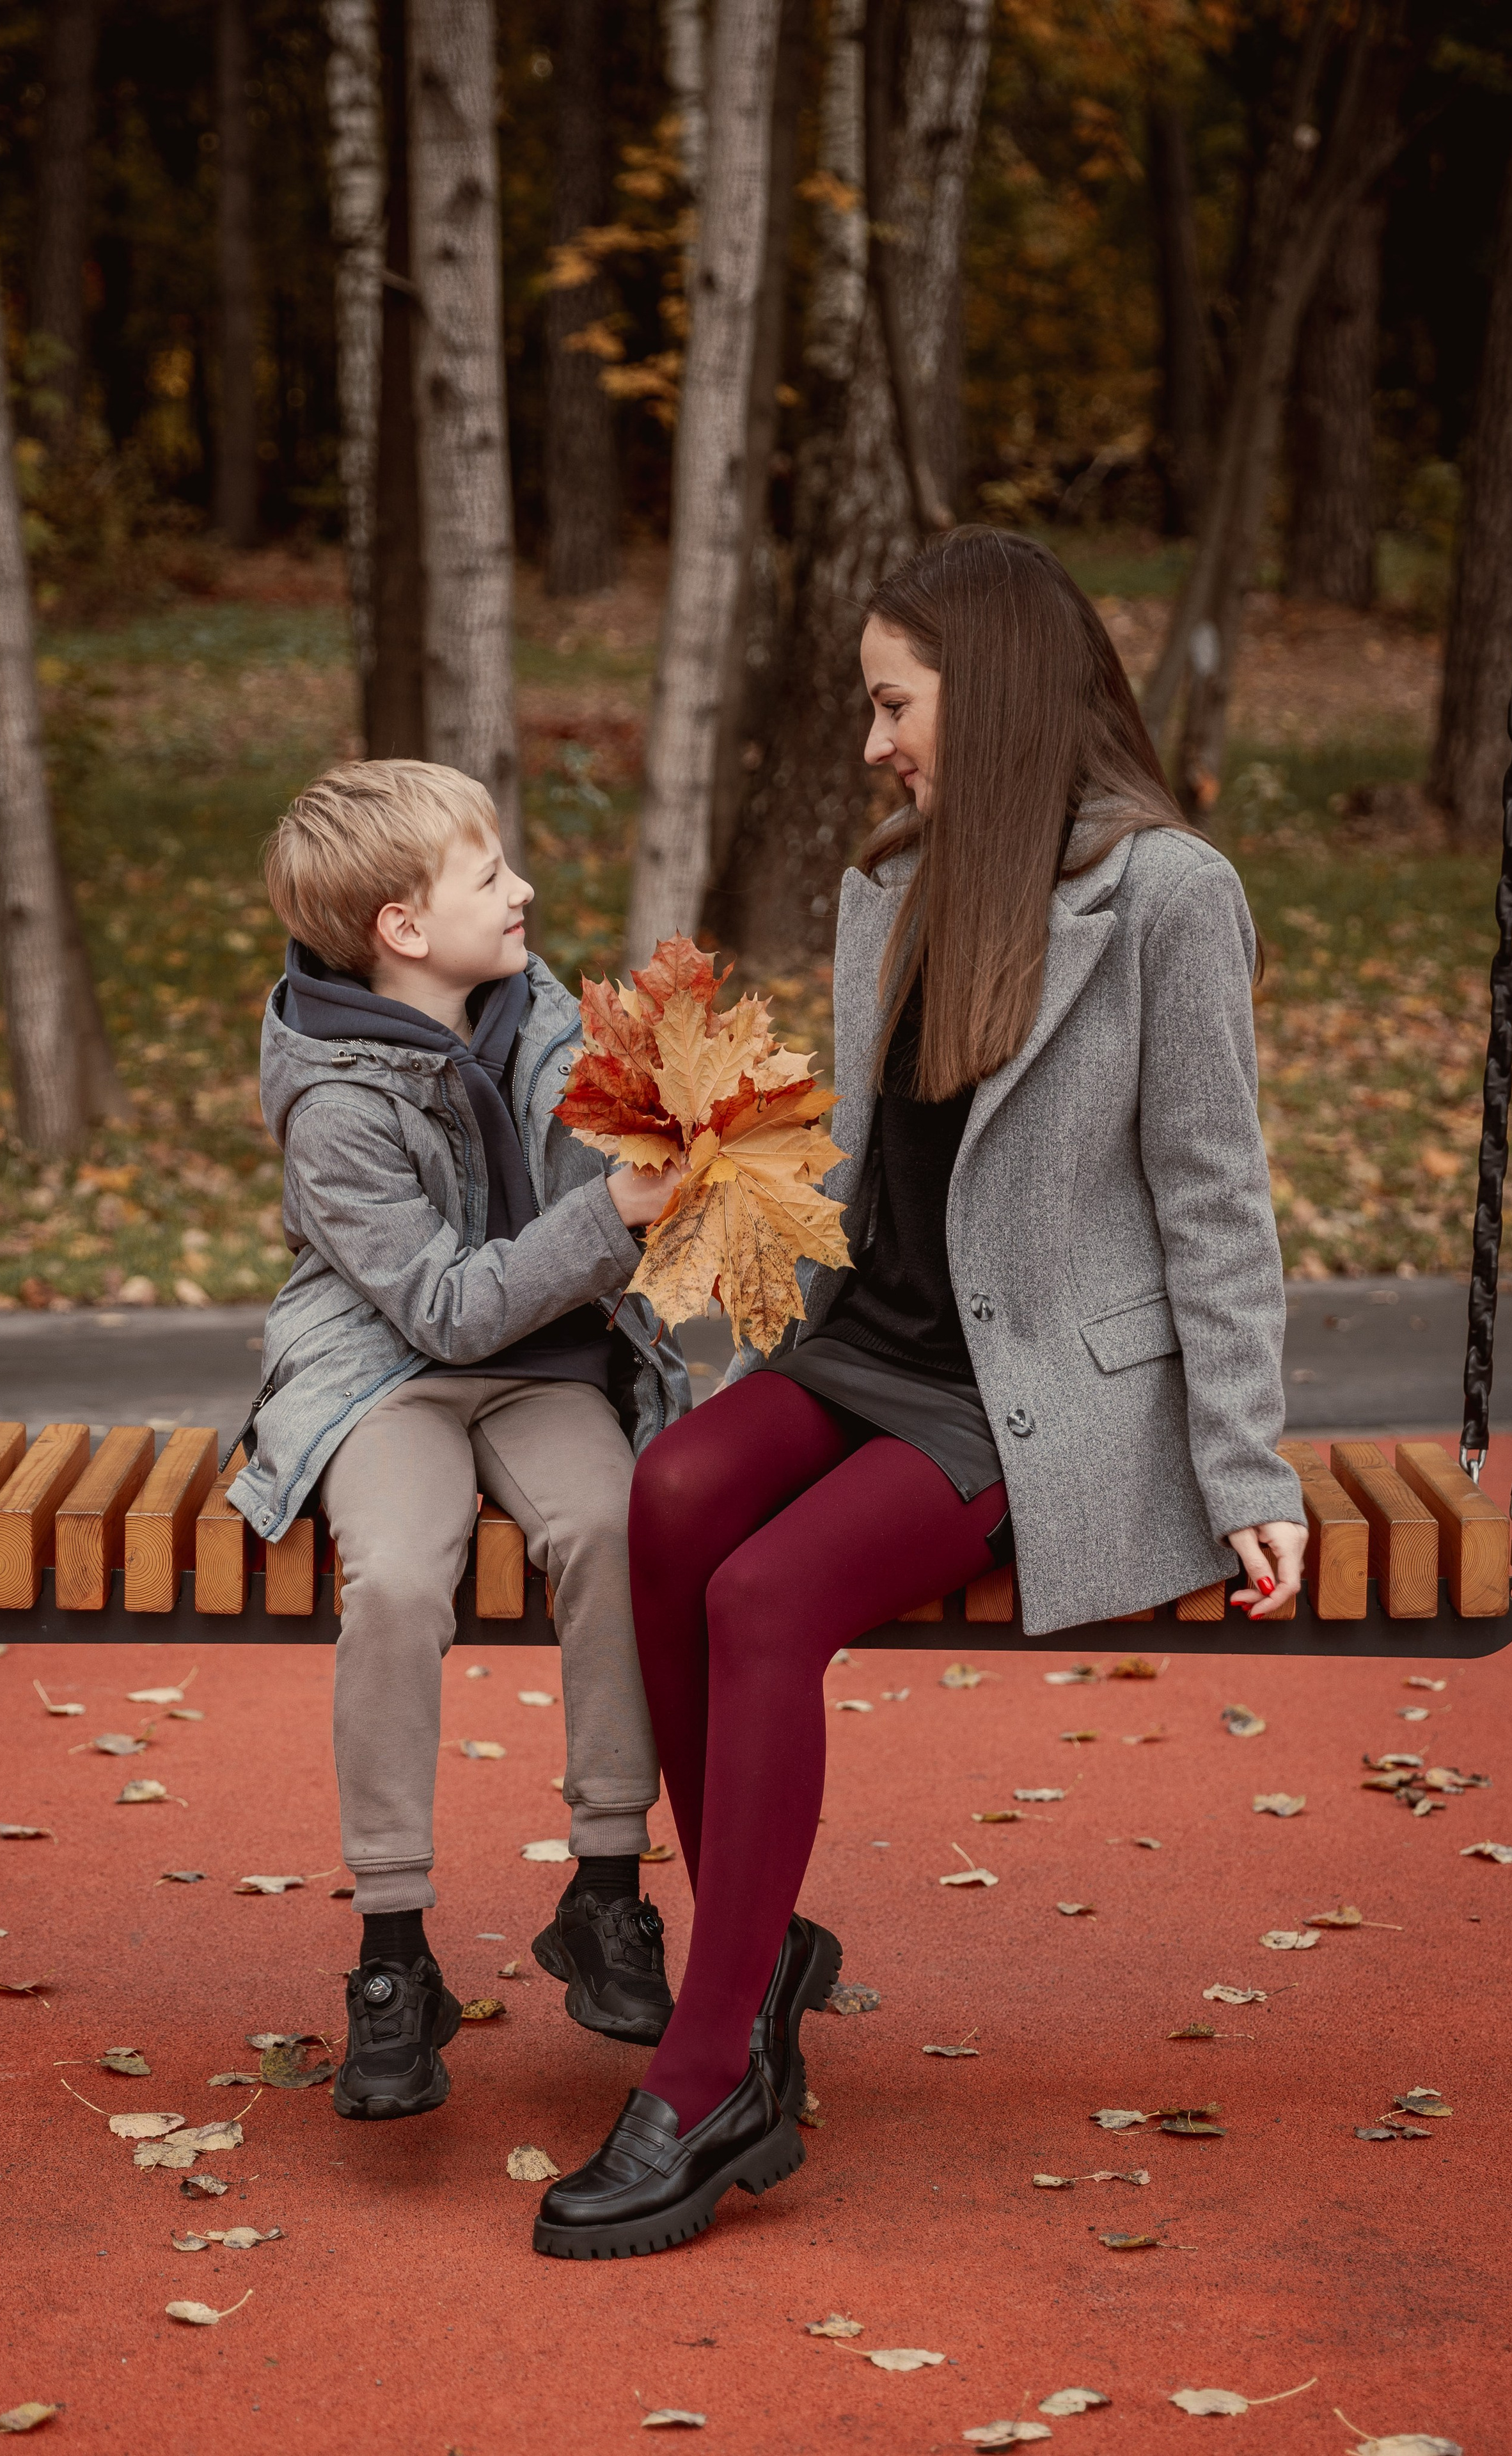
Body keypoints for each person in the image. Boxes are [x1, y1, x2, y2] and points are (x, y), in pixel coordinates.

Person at [533, 525, 1310, 2260]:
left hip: (1031, 1383)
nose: (876, 738)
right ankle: (759, 1944)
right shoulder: (891, 882)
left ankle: (713, 2064)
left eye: (896, 701)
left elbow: (1215, 1192)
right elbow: (888, 1169)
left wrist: (1249, 1468)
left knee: (766, 1593)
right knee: (673, 1501)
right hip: (874, 1339)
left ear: (997, 689)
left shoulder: (1169, 896)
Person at [228, 760, 689, 2122]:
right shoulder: (333, 1098)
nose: (524, 889)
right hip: (387, 1368)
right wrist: (611, 1210)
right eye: (489, 874)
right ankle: (390, 1952)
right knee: (396, 1574)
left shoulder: (544, 1012)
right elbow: (435, 1305)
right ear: (401, 929)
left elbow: (609, 1194)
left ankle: (605, 1893)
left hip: (544, 1358)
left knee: (614, 1527)